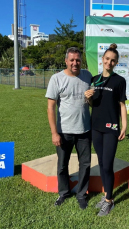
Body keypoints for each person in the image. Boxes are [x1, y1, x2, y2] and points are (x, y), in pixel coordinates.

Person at [45, 47, 92, 210]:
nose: (75, 63)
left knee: (85, 164)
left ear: (81, 61)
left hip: (85, 130)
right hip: (64, 131)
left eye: (78, 60)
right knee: (62, 165)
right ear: (66, 61)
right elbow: (50, 107)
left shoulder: (87, 76)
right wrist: (54, 132)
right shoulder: (56, 79)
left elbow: (92, 101)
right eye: (71, 60)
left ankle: (81, 194)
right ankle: (64, 192)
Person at [85, 43, 127, 216]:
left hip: (111, 128)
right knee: (101, 163)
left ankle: (109, 201)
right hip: (96, 127)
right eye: (107, 59)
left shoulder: (119, 81)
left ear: (116, 63)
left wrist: (124, 125)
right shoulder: (94, 80)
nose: (109, 62)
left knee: (108, 164)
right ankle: (106, 195)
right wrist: (88, 99)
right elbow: (93, 104)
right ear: (102, 59)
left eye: (113, 60)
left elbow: (122, 105)